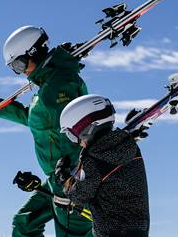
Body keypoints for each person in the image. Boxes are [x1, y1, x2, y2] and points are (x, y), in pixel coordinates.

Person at [0, 26, 92, 236]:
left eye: (19, 64)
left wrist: (71, 177)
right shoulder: (47, 86)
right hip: (57, 178)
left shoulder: (58, 84)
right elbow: (37, 120)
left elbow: (73, 129)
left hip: (71, 179)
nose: (21, 72)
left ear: (33, 53)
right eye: (14, 68)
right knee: (25, 222)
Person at [56, 94, 150, 237]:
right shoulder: (129, 146)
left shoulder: (93, 159)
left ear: (86, 128)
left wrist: (63, 178)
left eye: (72, 134)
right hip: (139, 230)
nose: (76, 141)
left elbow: (80, 196)